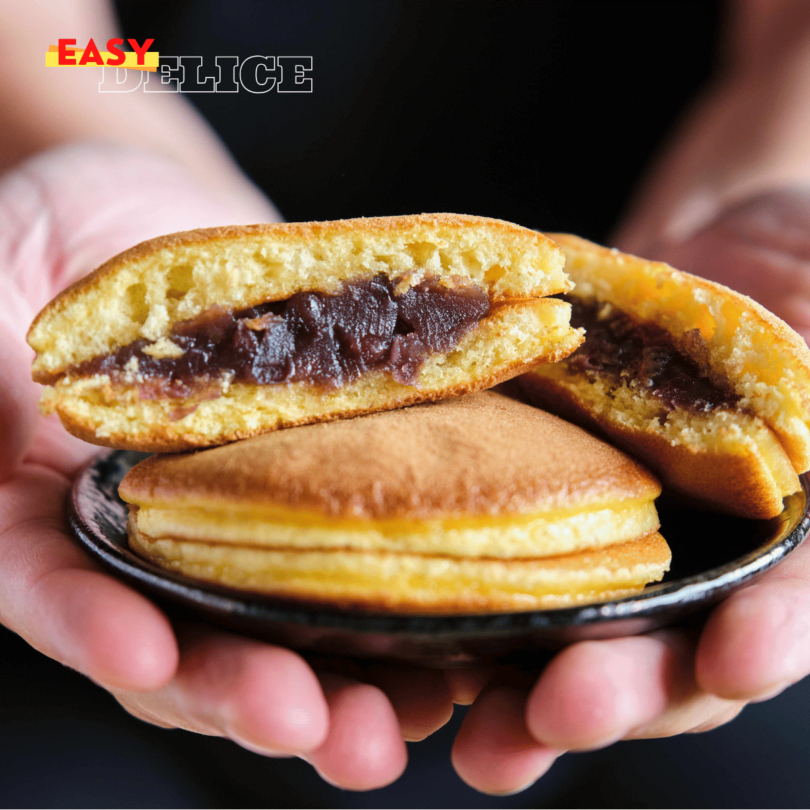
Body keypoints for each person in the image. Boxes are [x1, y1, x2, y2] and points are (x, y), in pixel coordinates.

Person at [1, 0, 810, 797]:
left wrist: (772, 174)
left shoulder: (533, 310)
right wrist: (70, 127)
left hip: (644, 564)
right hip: (83, 684)